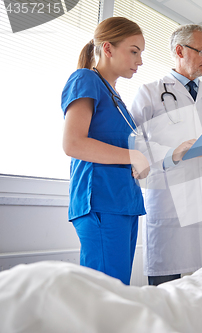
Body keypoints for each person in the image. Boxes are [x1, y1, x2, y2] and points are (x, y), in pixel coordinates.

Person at [130, 24, 202, 286]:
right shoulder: (150, 93)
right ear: (179, 50)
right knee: (166, 287)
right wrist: (171, 154)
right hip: (169, 201)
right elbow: (132, 143)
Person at [61, 17, 149, 285]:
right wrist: (133, 157)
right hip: (100, 201)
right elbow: (73, 143)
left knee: (118, 289)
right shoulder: (85, 79)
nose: (140, 61)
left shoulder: (117, 98)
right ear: (108, 49)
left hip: (124, 203)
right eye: (134, 51)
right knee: (103, 294)